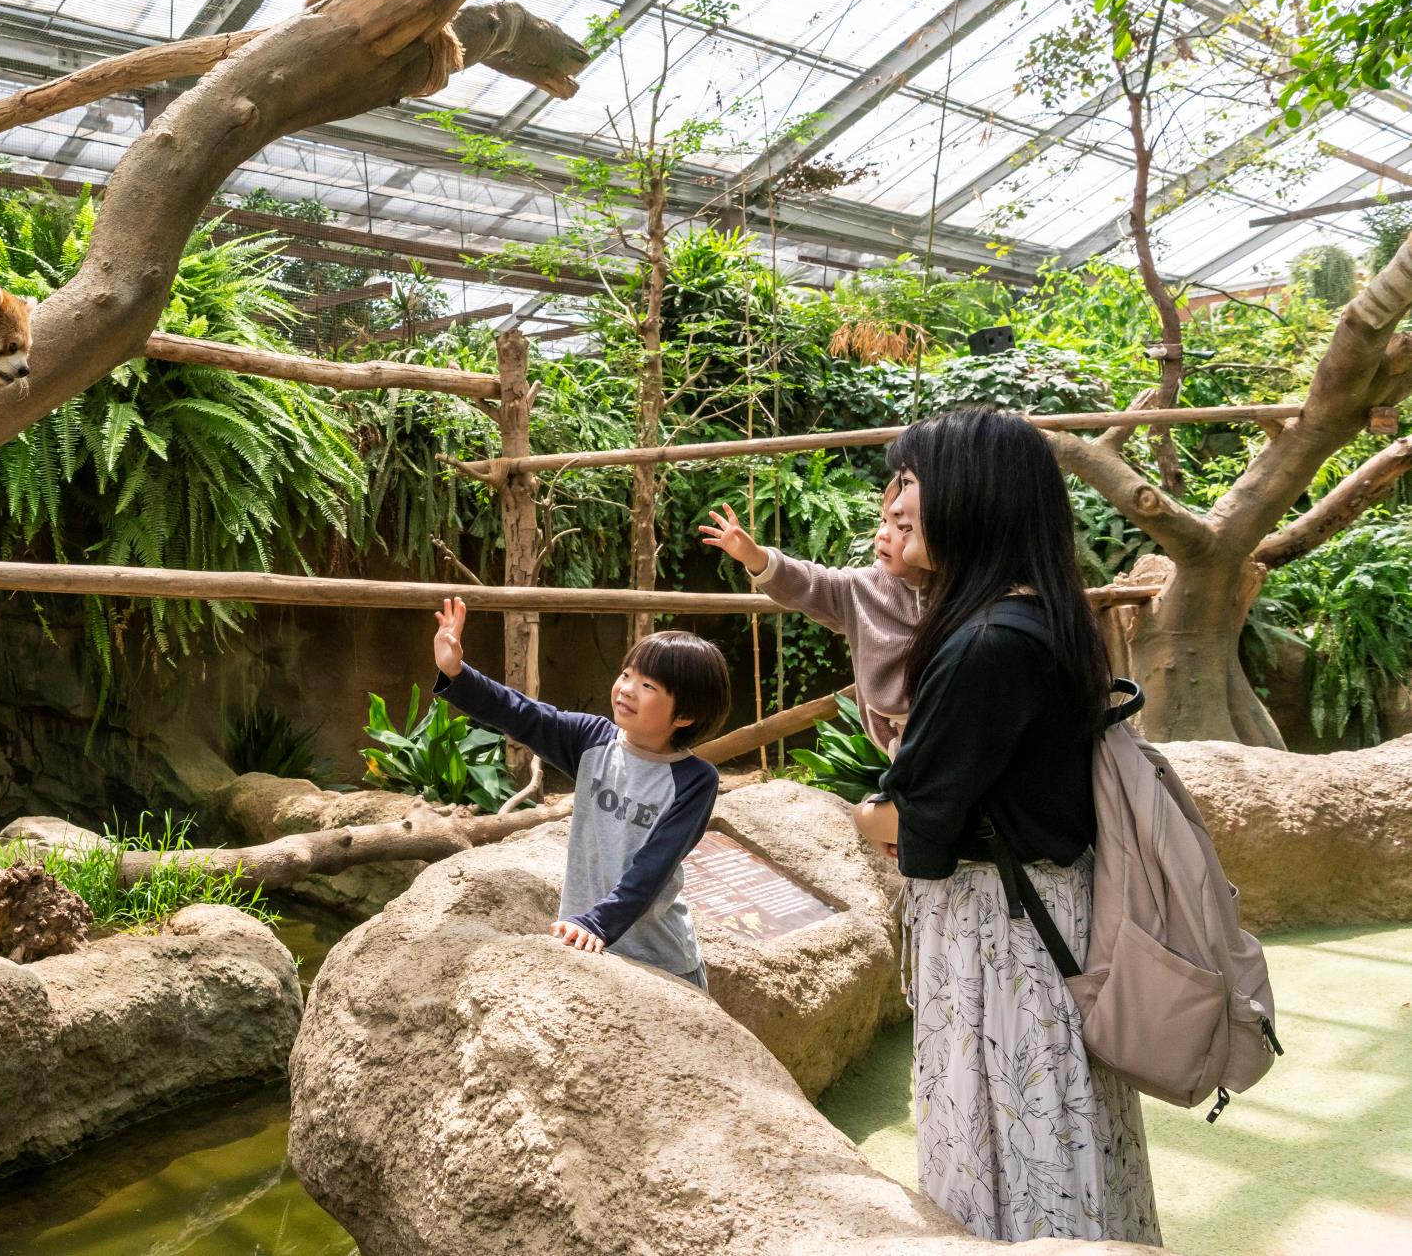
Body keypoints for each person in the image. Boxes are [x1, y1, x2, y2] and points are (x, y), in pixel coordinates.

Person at [849, 407, 1161, 1244]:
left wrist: (869, 813)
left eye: (911, 481)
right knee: (1061, 1128)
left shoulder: (986, 642)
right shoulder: (1039, 617)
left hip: (1003, 938)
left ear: (974, 494)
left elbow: (921, 829)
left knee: (1005, 1133)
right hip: (1044, 918)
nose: (895, 500)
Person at [430, 597, 728, 988]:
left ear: (685, 715)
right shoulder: (592, 740)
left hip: (660, 960)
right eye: (626, 675)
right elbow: (520, 713)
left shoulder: (694, 780)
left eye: (648, 685)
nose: (627, 689)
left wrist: (596, 923)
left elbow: (651, 871)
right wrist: (456, 672)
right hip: (584, 941)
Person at [697, 486, 927, 752]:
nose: (883, 535)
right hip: (901, 748)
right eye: (883, 521)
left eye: (903, 527)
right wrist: (756, 558)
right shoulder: (863, 587)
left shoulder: (963, 591)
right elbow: (809, 584)